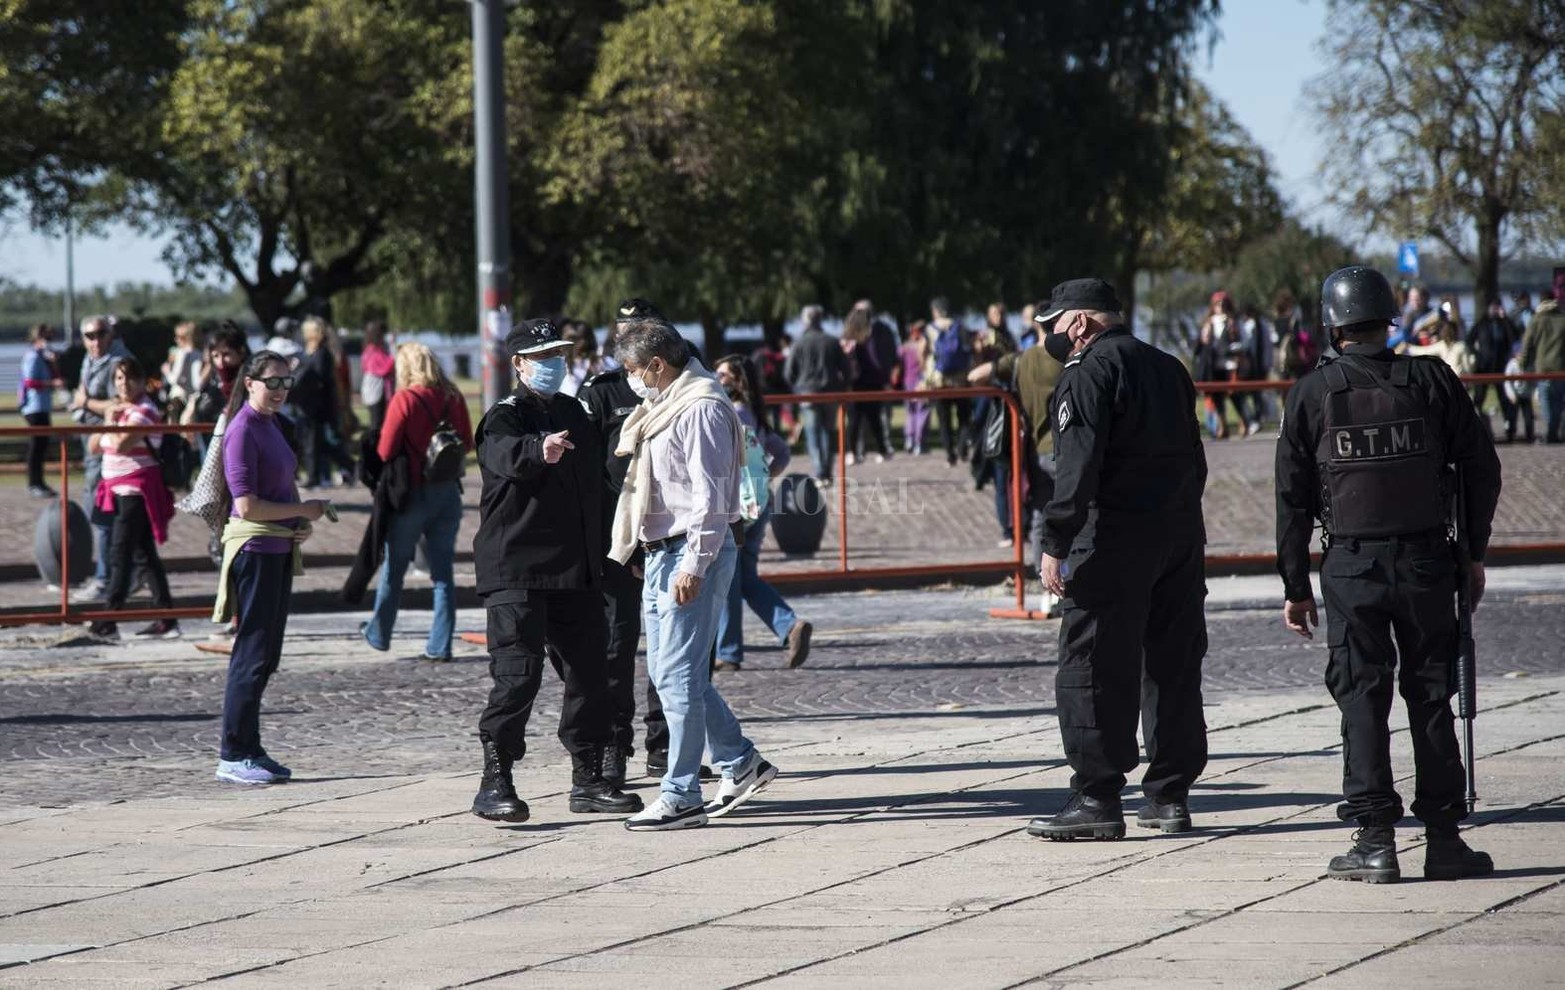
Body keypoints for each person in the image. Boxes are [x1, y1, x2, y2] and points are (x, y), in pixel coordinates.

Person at [1275, 264, 1501, 883]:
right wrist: (1473, 553)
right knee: (1432, 695)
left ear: (1333, 326)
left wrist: (1295, 586)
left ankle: (1374, 839)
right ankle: (1445, 838)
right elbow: (1482, 467)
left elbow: (1292, 500)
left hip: (1352, 566)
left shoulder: (1312, 394)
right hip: (1430, 561)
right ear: (1387, 319)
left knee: (1361, 701)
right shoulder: (1431, 379)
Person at [1024, 278, 1209, 842]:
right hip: (1177, 534)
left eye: (1053, 327)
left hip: (1112, 539)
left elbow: (1074, 471)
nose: (1051, 338)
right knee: (1172, 667)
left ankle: (1097, 796)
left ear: (1079, 323)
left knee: (1093, 667)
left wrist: (1055, 543)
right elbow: (1195, 460)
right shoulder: (1169, 367)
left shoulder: (1086, 373)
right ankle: (1169, 794)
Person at [468, 318, 643, 825]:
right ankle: (495, 781)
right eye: (542, 357)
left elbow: (600, 488)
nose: (553, 364)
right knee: (517, 676)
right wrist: (535, 450)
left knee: (591, 674)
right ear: (519, 364)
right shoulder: (505, 416)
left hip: (575, 568)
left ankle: (588, 779)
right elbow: (501, 455)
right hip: (515, 568)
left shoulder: (575, 412)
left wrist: (623, 547)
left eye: (559, 355)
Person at [611, 318, 778, 830]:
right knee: (669, 674)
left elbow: (709, 497)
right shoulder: (663, 407)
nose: (630, 379)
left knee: (679, 676)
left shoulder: (700, 407)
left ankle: (681, 794)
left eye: (633, 369)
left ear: (657, 365)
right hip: (663, 550)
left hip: (690, 551)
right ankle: (739, 760)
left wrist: (694, 564)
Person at [215, 351, 330, 785]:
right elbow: (246, 504)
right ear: (249, 383)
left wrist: (298, 522)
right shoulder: (242, 430)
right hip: (255, 552)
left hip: (278, 547)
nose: (281, 390)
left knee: (267, 656)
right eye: (273, 382)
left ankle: (250, 746)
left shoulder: (273, 425)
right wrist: (305, 509)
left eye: (287, 382)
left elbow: (281, 484)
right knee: (252, 653)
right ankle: (232, 752)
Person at [360, 343, 473, 662]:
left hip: (412, 493)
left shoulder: (405, 398)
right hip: (448, 492)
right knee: (443, 572)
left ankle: (379, 633)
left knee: (394, 566)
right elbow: (466, 442)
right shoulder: (452, 396)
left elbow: (385, 450)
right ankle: (440, 644)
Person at [712, 354, 812, 672]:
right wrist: (764, 477)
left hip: (737, 507)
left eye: (723, 374)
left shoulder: (733, 413)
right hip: (757, 503)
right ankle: (788, 626)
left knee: (729, 578)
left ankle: (728, 652)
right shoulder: (754, 413)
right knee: (745, 577)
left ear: (738, 380)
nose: (717, 378)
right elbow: (781, 451)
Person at [968, 299, 1068, 615]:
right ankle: (1073, 585)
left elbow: (975, 376)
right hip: (1071, 448)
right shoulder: (1069, 358)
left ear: (1036, 325)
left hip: (1037, 449)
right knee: (1082, 516)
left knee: (1040, 518)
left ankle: (1046, 588)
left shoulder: (1023, 359)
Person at [86, 359, 180, 641]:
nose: (123, 384)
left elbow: (120, 443)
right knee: (144, 556)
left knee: (120, 554)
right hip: (116, 490)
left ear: (141, 381)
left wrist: (110, 422)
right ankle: (167, 619)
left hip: (136, 491)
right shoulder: (120, 412)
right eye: (118, 379)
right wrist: (108, 420)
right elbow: (93, 447)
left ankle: (108, 621)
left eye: (129, 379)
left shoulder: (144, 411)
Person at [69, 315, 130, 598]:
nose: (95, 340)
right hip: (92, 444)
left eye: (100, 334)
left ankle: (106, 579)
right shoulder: (92, 358)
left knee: (101, 512)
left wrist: (85, 402)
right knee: (109, 513)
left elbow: (120, 403)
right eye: (89, 336)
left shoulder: (118, 362)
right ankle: (124, 576)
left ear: (111, 334)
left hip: (107, 446)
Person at [784, 304, 849, 486]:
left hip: (807, 393)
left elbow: (789, 373)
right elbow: (846, 369)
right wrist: (841, 386)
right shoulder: (831, 341)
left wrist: (798, 387)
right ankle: (827, 472)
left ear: (805, 321)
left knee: (813, 433)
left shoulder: (799, 343)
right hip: (830, 392)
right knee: (828, 432)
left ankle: (820, 472)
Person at [841, 306, 893, 464]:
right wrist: (884, 379)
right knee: (872, 419)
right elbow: (876, 361)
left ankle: (852, 452)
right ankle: (880, 450)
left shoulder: (846, 339)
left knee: (855, 420)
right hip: (869, 383)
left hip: (854, 384)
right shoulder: (868, 339)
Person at [926, 297, 973, 466]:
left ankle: (949, 454)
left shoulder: (931, 329)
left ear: (936, 311)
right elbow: (969, 350)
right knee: (964, 417)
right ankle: (962, 448)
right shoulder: (960, 326)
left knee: (944, 420)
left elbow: (925, 352)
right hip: (960, 378)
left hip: (940, 379)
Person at [21, 323, 63, 499]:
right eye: (46, 338)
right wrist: (51, 384)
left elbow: (54, 376)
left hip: (43, 406)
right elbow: (29, 382)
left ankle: (39, 481)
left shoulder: (43, 357)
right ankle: (34, 483)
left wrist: (53, 363)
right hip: (34, 407)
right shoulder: (32, 356)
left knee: (42, 445)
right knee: (37, 446)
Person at [1467, 299, 1519, 438]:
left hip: (1500, 368)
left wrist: (1505, 318)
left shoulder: (1504, 324)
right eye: (1493, 307)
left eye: (1498, 307)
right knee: (1478, 400)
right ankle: (1475, 429)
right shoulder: (1481, 323)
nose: (1495, 310)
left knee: (1505, 399)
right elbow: (1469, 341)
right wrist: (1476, 355)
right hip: (1483, 368)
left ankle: (1510, 428)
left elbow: (1514, 337)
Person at [1520, 288, 1565, 443]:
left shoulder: (1536, 320)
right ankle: (1557, 432)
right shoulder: (1562, 318)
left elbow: (1527, 345)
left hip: (1543, 369)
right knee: (1559, 402)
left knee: (1546, 402)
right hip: (1561, 367)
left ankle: (1551, 432)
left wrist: (1523, 364)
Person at [161, 321, 204, 421]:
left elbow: (174, 379)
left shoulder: (181, 353)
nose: (175, 339)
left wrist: (166, 370)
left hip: (178, 398)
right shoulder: (199, 354)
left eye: (178, 336)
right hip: (193, 399)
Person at [900, 320, 931, 454]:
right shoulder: (924, 346)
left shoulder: (904, 347)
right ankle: (919, 441)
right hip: (921, 381)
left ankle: (909, 438)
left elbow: (897, 363)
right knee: (922, 412)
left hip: (908, 381)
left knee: (910, 412)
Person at [359, 320, 396, 431]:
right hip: (376, 393)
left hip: (373, 392)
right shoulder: (373, 352)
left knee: (377, 421)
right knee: (377, 423)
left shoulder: (369, 351)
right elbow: (388, 365)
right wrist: (393, 345)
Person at [560, 319, 603, 397]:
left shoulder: (603, 363)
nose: (576, 343)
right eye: (571, 338)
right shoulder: (559, 365)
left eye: (579, 338)